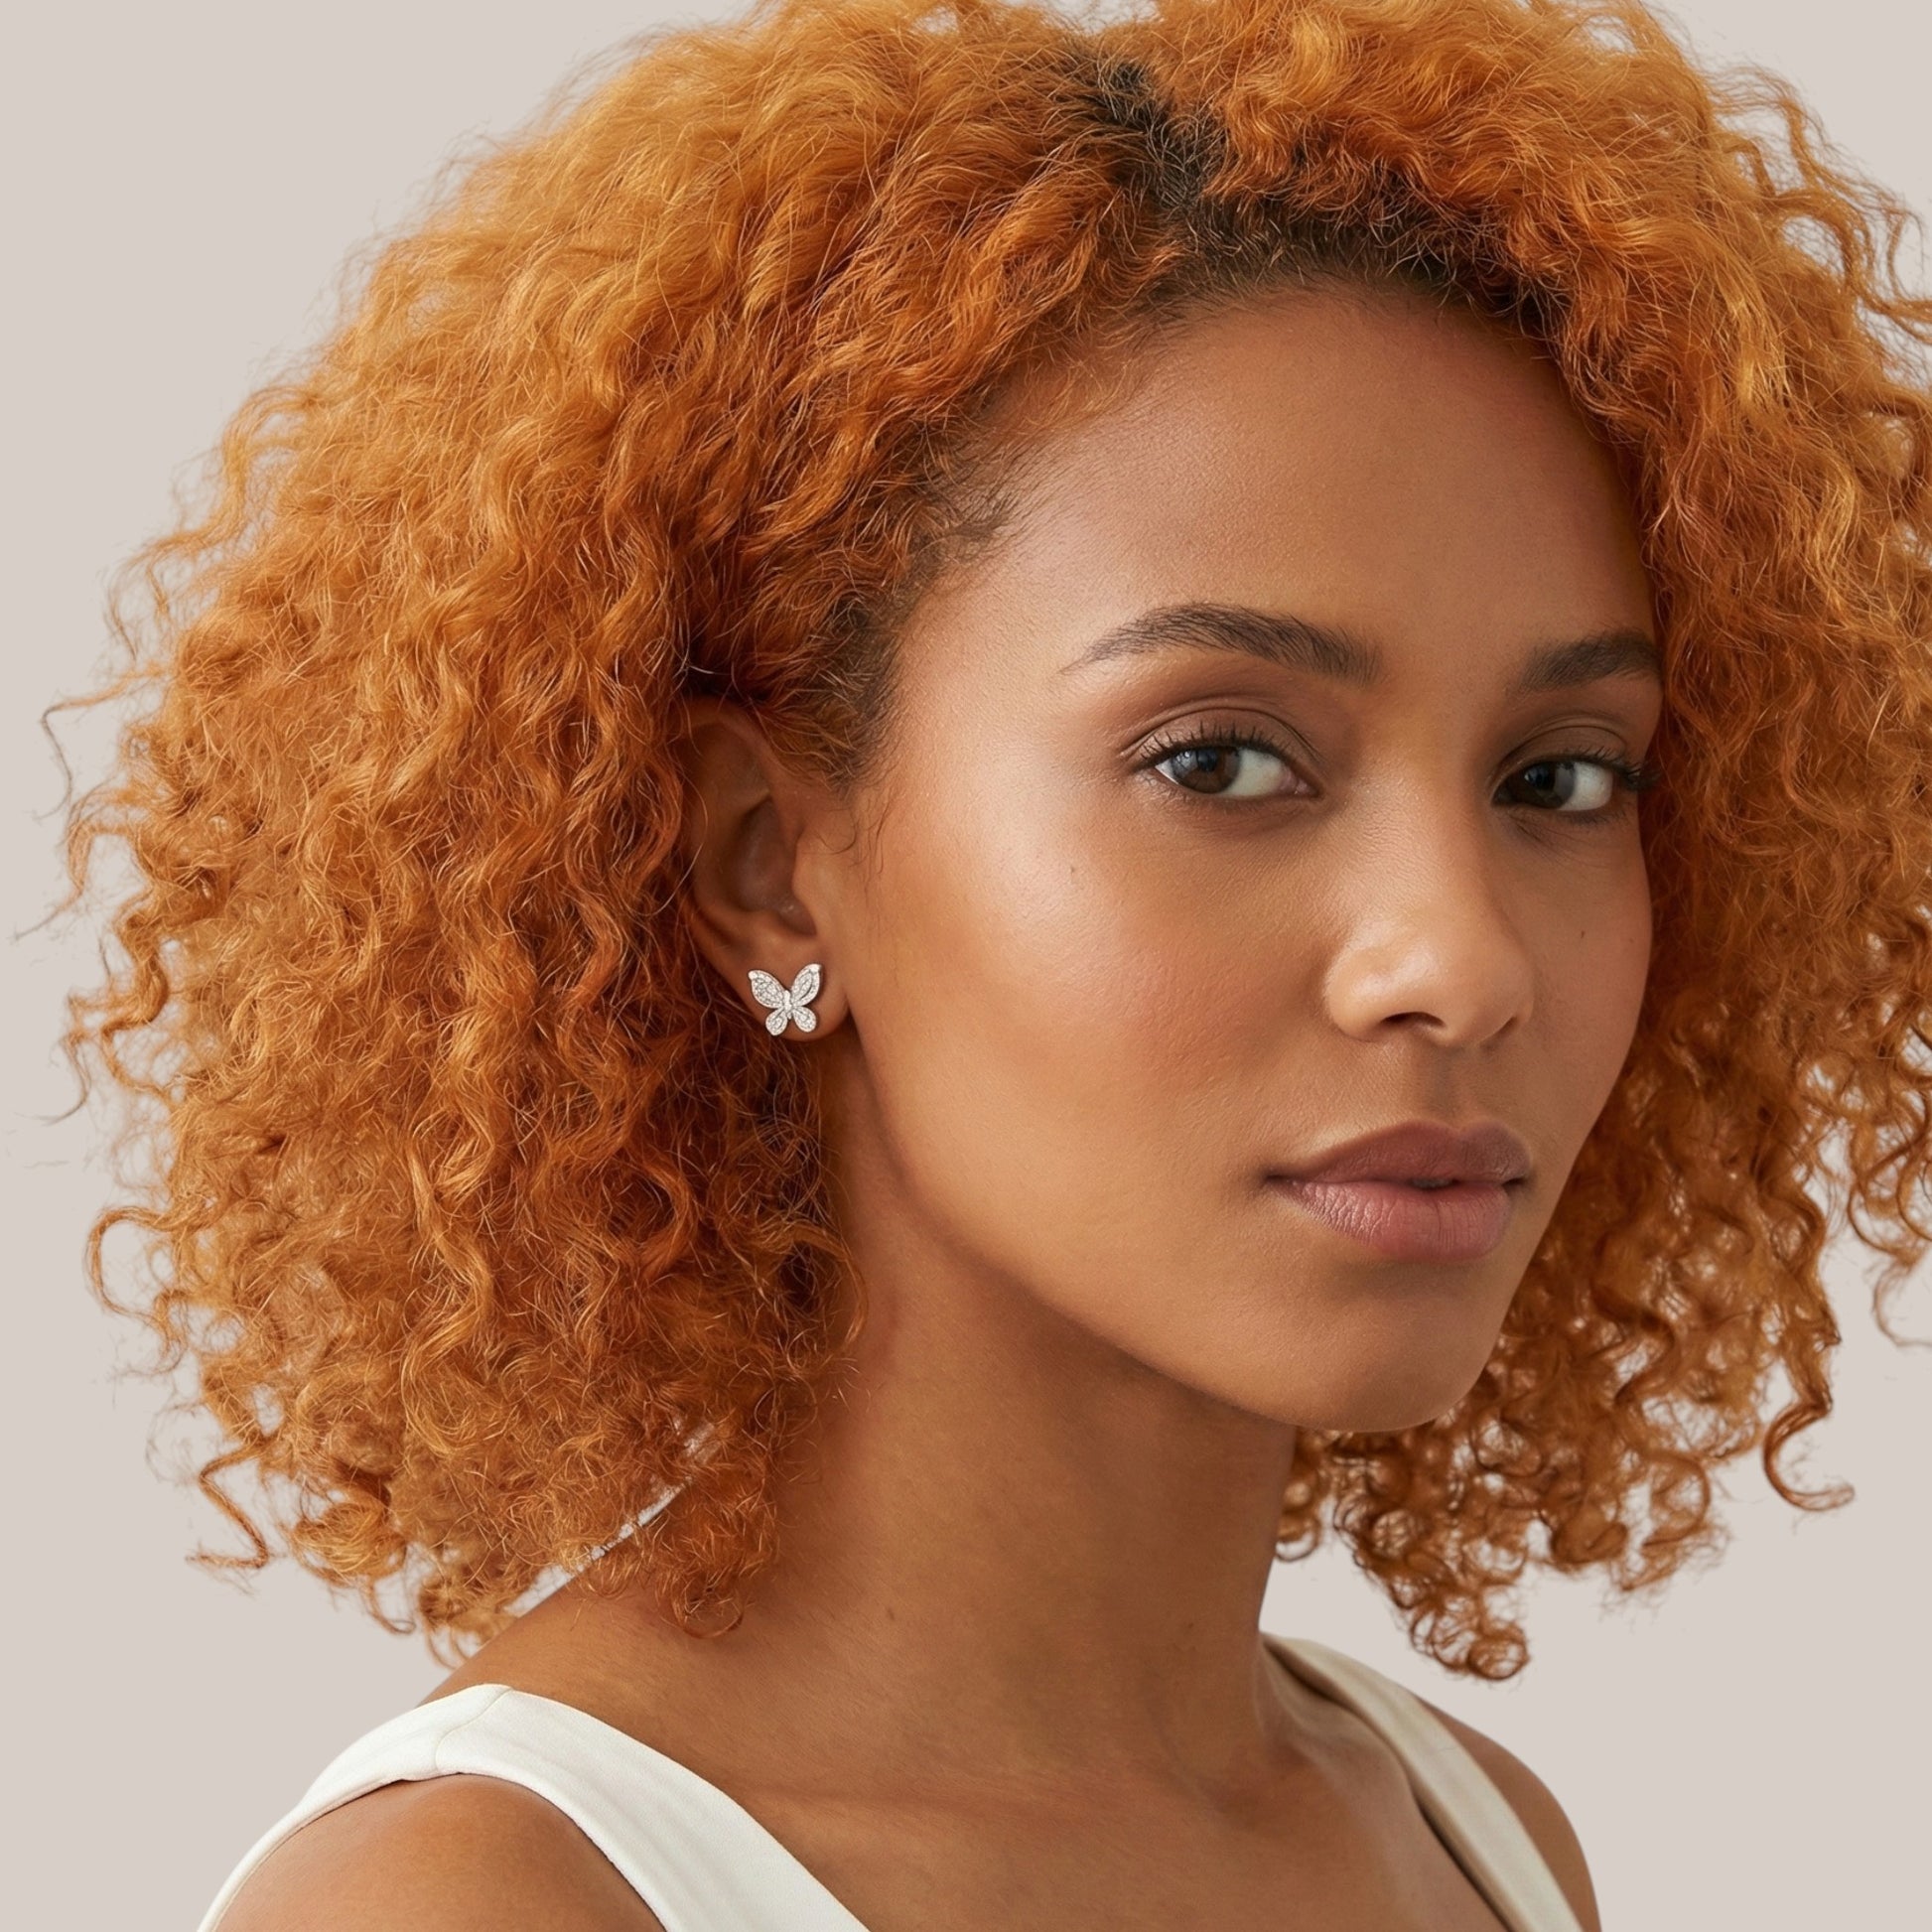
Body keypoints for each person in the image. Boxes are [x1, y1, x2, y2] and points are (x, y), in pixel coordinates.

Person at [64, 0, 1932, 1926]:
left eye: (1560, 777)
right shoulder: (492, 1902)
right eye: (1220, 760)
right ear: (766, 862)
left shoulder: (1469, 1834)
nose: (1459, 961)